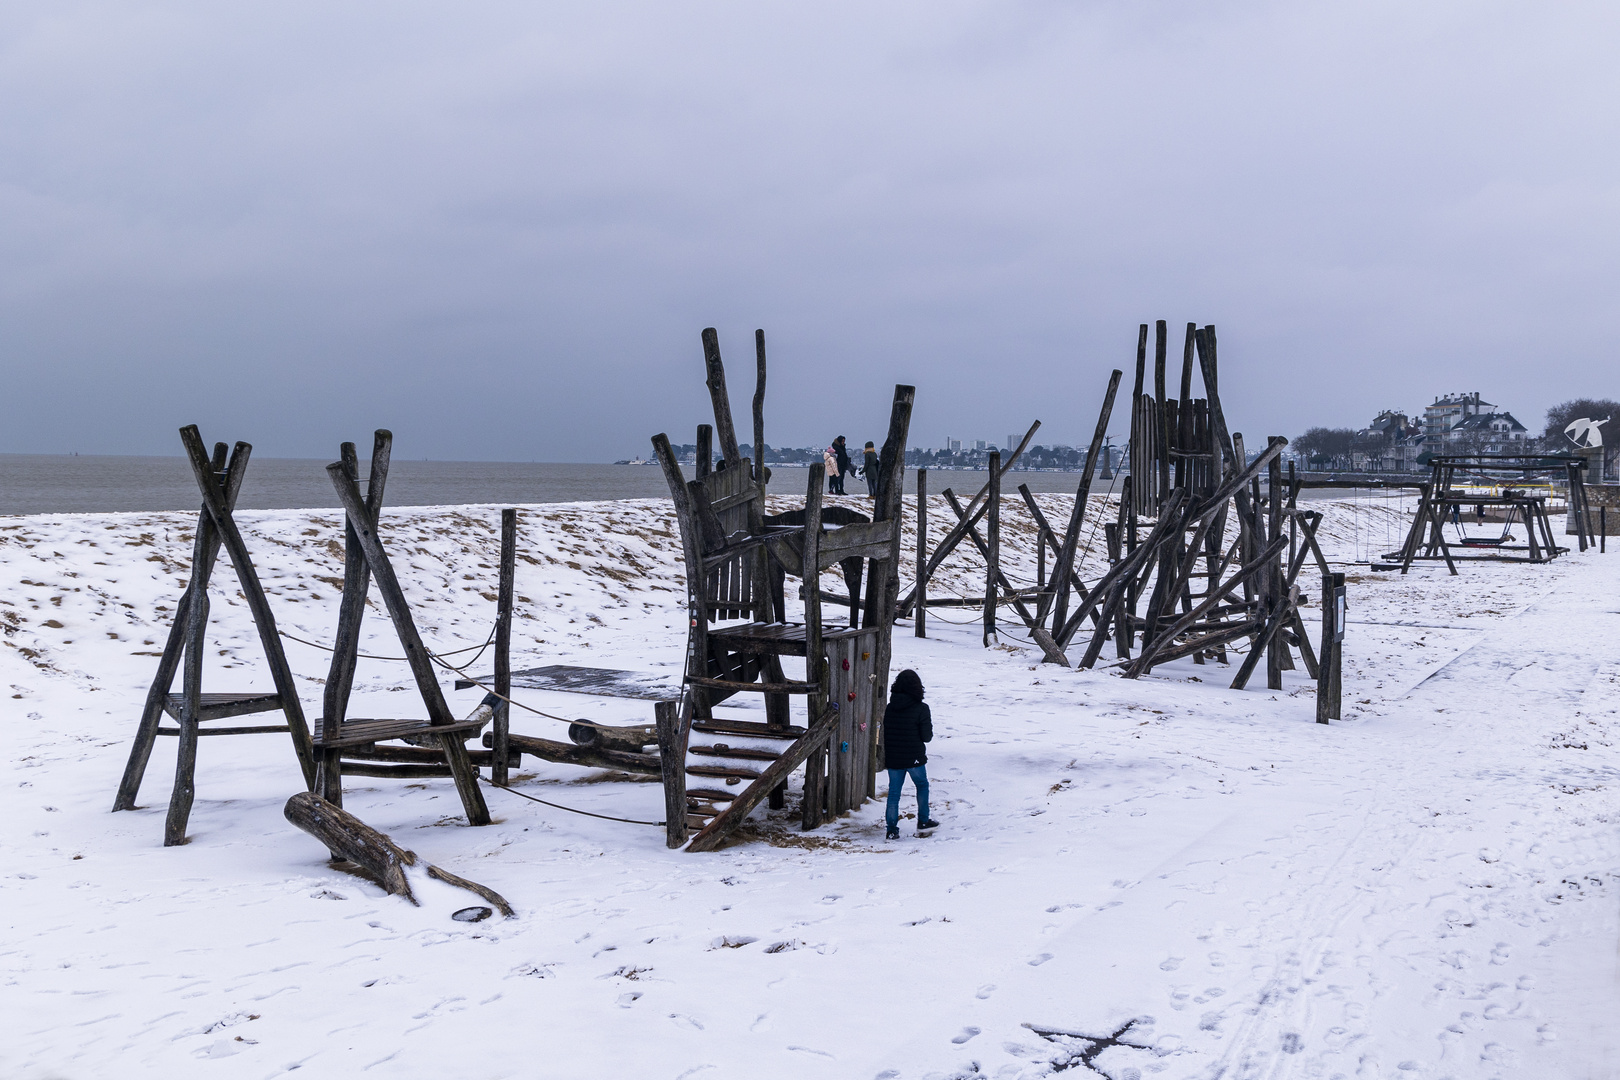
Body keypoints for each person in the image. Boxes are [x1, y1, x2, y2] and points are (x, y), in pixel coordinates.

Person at [882, 669, 939, 839]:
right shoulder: (921, 708)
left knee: (893, 793)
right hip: (914, 757)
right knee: (922, 785)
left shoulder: (890, 708)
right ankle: (923, 821)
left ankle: (891, 829)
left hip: (894, 757)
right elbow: (927, 737)